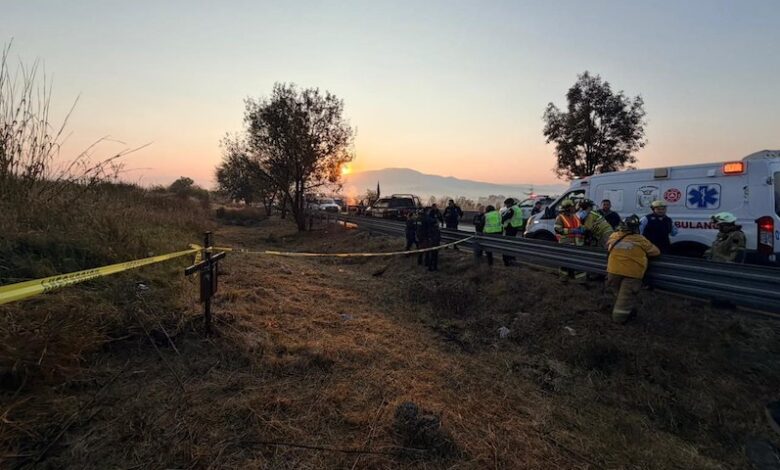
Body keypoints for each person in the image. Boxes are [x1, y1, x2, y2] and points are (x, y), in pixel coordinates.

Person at [605, 215, 660, 323]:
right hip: (632, 273)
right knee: (625, 298)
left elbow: (609, 246)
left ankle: (621, 311)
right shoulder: (640, 239)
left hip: (613, 271)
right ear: (635, 227)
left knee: (618, 293)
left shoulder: (614, 236)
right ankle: (619, 320)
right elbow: (655, 252)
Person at [554, 199, 586, 281]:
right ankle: (563, 279)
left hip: (577, 243)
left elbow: (580, 225)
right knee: (565, 263)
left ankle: (581, 281)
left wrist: (582, 228)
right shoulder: (560, 217)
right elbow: (558, 229)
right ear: (567, 208)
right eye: (572, 207)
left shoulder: (575, 216)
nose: (574, 208)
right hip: (566, 244)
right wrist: (572, 230)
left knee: (579, 262)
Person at [500, 198, 523, 266]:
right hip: (515, 227)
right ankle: (512, 258)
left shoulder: (511, 209)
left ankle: (508, 259)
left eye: (506, 204)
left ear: (509, 203)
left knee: (507, 244)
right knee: (512, 243)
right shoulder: (517, 208)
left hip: (511, 228)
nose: (506, 206)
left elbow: (504, 218)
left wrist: (500, 219)